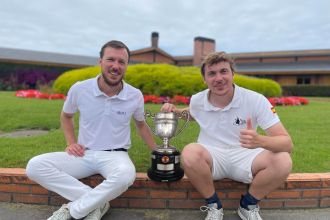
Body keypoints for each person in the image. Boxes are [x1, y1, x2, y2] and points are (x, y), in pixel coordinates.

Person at [26, 40, 156, 220]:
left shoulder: (134, 95)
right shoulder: (80, 89)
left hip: (116, 155)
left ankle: (73, 209)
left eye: (121, 62)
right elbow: (66, 116)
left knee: (126, 175)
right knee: (35, 166)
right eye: (111, 60)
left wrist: (157, 152)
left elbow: (141, 124)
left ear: (126, 66)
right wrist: (71, 143)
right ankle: (98, 203)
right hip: (84, 154)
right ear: (100, 61)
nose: (115, 66)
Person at [161, 51, 293, 220]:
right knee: (189, 152)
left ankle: (248, 205)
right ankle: (214, 206)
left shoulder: (256, 100)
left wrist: (260, 140)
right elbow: (194, 114)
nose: (218, 78)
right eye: (212, 73)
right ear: (205, 79)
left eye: (223, 71)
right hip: (212, 155)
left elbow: (286, 143)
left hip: (246, 156)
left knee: (283, 160)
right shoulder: (197, 100)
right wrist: (176, 112)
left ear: (233, 74)